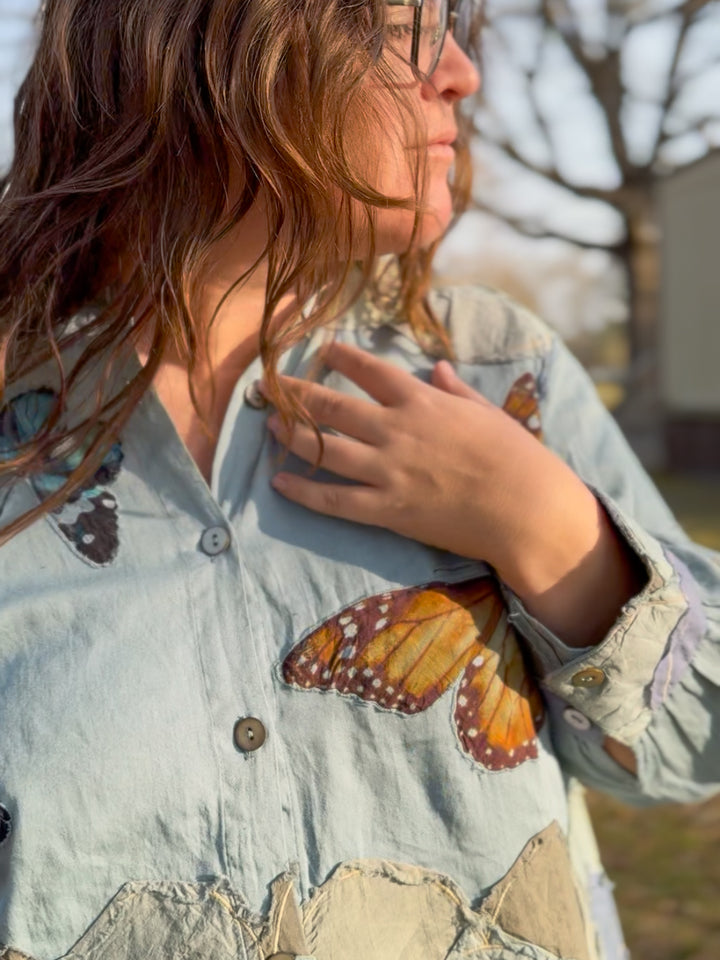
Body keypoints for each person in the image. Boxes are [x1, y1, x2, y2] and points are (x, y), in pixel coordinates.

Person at [0, 1, 718, 958]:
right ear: (196, 51)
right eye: (394, 29)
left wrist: (544, 526)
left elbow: (690, 748)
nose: (459, 73)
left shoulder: (497, 369)